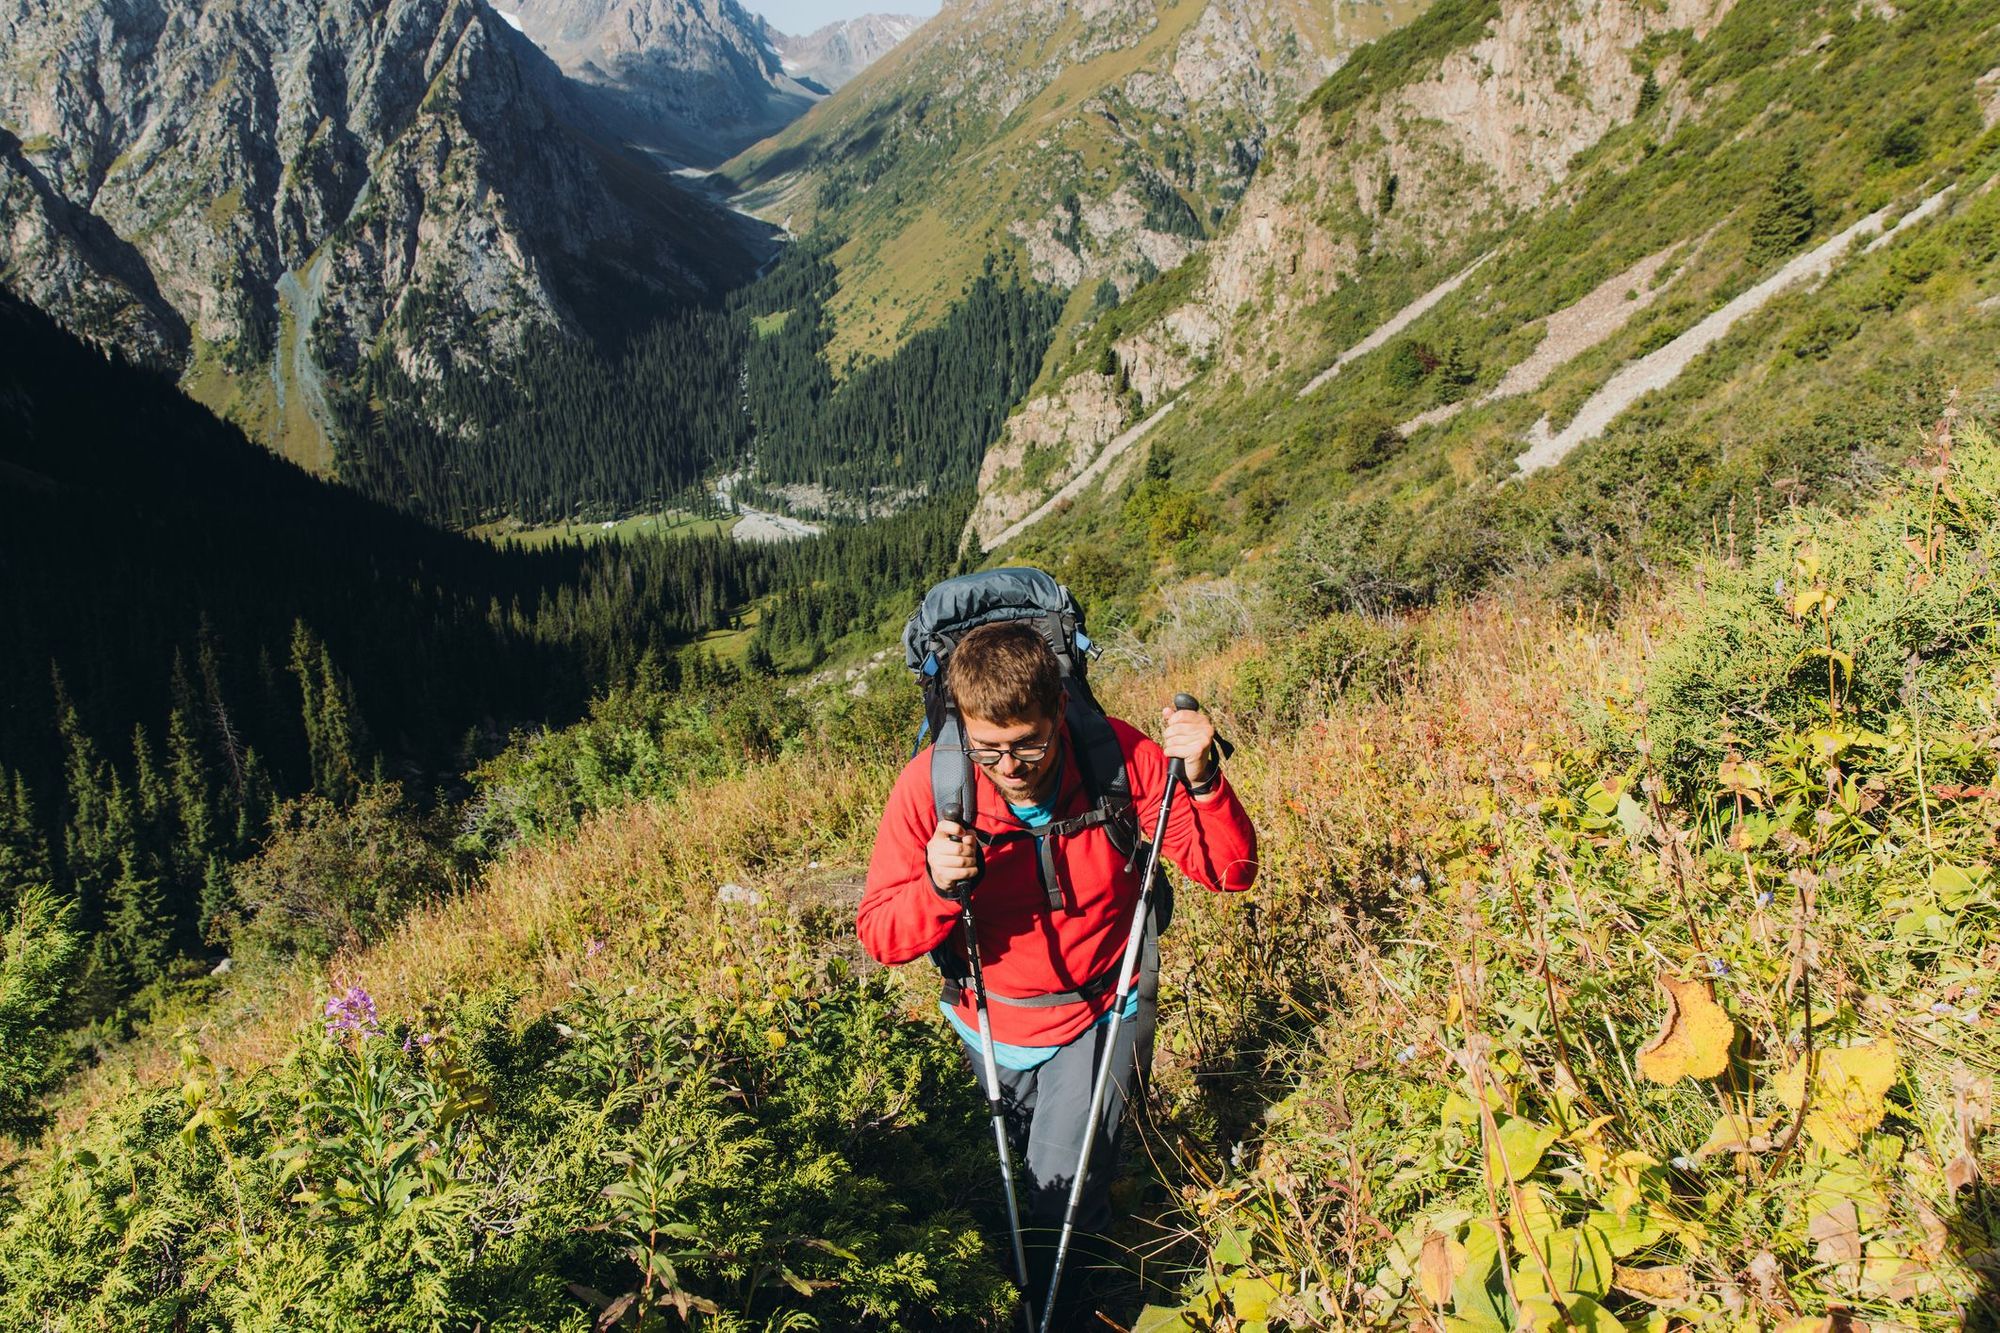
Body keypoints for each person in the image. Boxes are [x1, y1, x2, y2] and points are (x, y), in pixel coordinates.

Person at [856, 620, 1258, 1315]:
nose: (1009, 765)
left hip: (1104, 1007)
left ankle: (1062, 1308)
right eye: (988, 748)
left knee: (1057, 1195)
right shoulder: (932, 786)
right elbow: (880, 933)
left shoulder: (1115, 756)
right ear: (962, 726)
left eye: (1028, 743)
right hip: (989, 1023)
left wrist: (1203, 775)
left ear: (1059, 711)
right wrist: (936, 888)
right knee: (1031, 1171)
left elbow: (1231, 868)